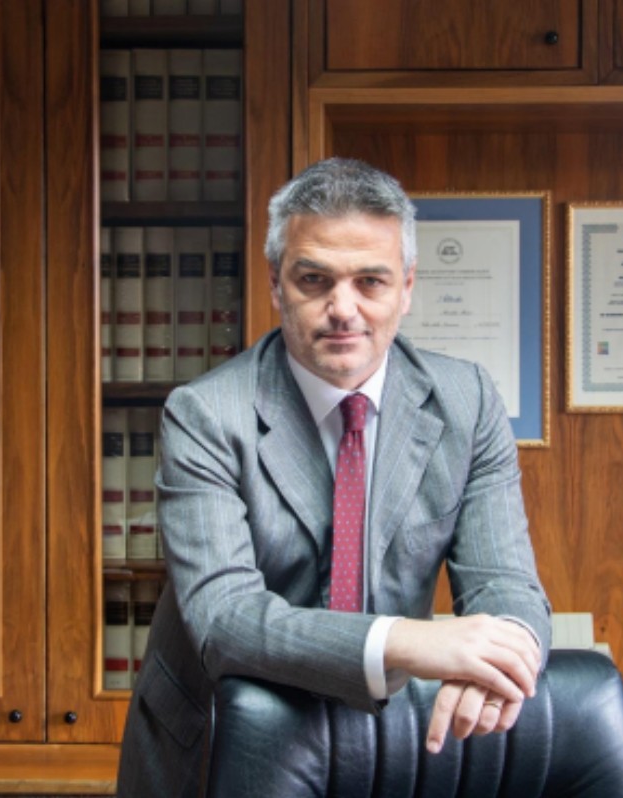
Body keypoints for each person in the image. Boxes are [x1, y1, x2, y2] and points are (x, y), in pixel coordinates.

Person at [116, 158, 551, 797]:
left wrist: (502, 654)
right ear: (276, 284)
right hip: (218, 739)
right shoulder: (206, 413)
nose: (342, 309)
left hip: (390, 738)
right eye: (314, 279)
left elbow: (505, 581)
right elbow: (225, 618)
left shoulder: (468, 401)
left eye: (370, 281)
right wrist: (408, 642)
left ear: (407, 286)